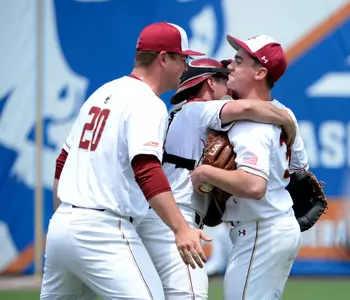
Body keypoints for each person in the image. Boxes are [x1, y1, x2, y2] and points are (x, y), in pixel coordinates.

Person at [40, 22, 211, 300]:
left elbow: (63, 161)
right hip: (103, 230)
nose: (186, 66)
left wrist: (66, 217)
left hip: (62, 226)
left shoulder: (101, 93)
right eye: (182, 58)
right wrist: (181, 228)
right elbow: (146, 169)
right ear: (163, 58)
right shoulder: (147, 102)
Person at [136, 57, 299, 300]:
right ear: (210, 83)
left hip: (161, 216)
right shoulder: (198, 109)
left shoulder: (179, 113)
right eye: (223, 78)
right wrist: (287, 119)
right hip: (174, 218)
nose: (229, 82)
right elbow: (248, 107)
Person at [191, 34, 309, 300]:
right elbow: (301, 169)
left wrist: (206, 172)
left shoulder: (249, 125)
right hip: (276, 227)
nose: (230, 66)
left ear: (260, 72)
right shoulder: (283, 113)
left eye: (239, 60)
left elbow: (255, 186)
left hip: (261, 230)